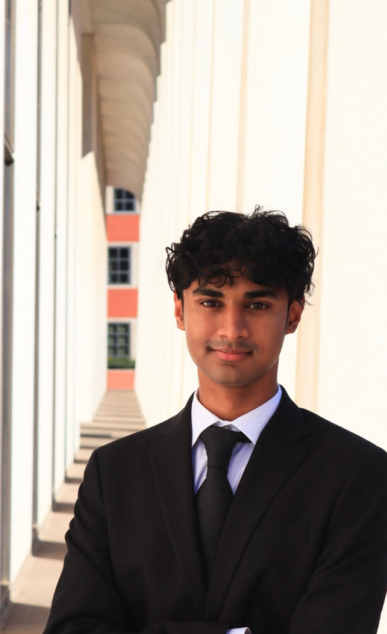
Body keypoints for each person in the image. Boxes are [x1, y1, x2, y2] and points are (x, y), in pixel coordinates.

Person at [44, 209, 387, 634]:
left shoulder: (358, 475)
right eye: (210, 302)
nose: (232, 329)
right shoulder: (113, 473)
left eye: (257, 305)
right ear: (180, 310)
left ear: (293, 315)